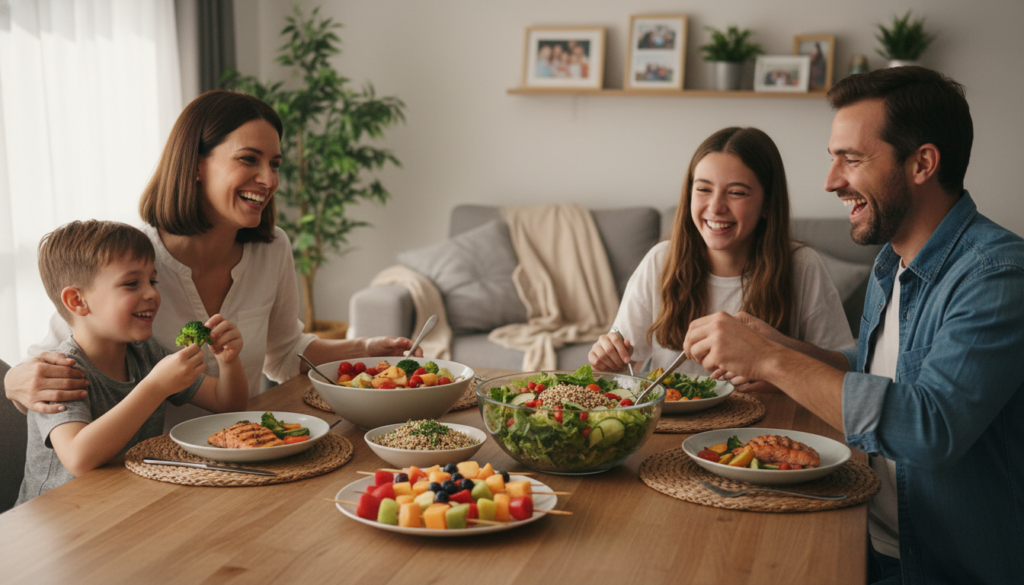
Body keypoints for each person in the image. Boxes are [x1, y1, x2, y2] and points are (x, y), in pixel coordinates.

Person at [683, 67, 1024, 583]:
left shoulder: (997, 276)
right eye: (833, 158)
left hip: (943, 566)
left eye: (852, 159)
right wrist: (781, 346)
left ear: (922, 164)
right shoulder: (893, 262)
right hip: (868, 535)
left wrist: (768, 360)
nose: (831, 181)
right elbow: (875, 373)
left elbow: (929, 427)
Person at [5, 90, 418, 418]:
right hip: (145, 473)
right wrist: (13, 383)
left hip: (245, 449)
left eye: (274, 164)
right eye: (248, 160)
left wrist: (365, 347)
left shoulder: (274, 249)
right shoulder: (131, 263)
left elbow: (284, 353)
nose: (268, 179)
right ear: (196, 164)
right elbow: (53, 359)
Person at [589, 127, 854, 387]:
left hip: (772, 421)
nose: (716, 207)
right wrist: (608, 361)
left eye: (736, 193)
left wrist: (775, 351)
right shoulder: (661, 261)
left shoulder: (803, 266)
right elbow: (623, 371)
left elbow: (845, 367)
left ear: (768, 204)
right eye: (703, 189)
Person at [16, 220, 248, 505]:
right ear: (77, 301)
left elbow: (228, 405)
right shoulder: (59, 374)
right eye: (131, 284)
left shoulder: (146, 354)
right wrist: (155, 388)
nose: (151, 293)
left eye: (153, 281)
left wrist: (228, 362)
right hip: (54, 525)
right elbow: (79, 458)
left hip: (122, 506)